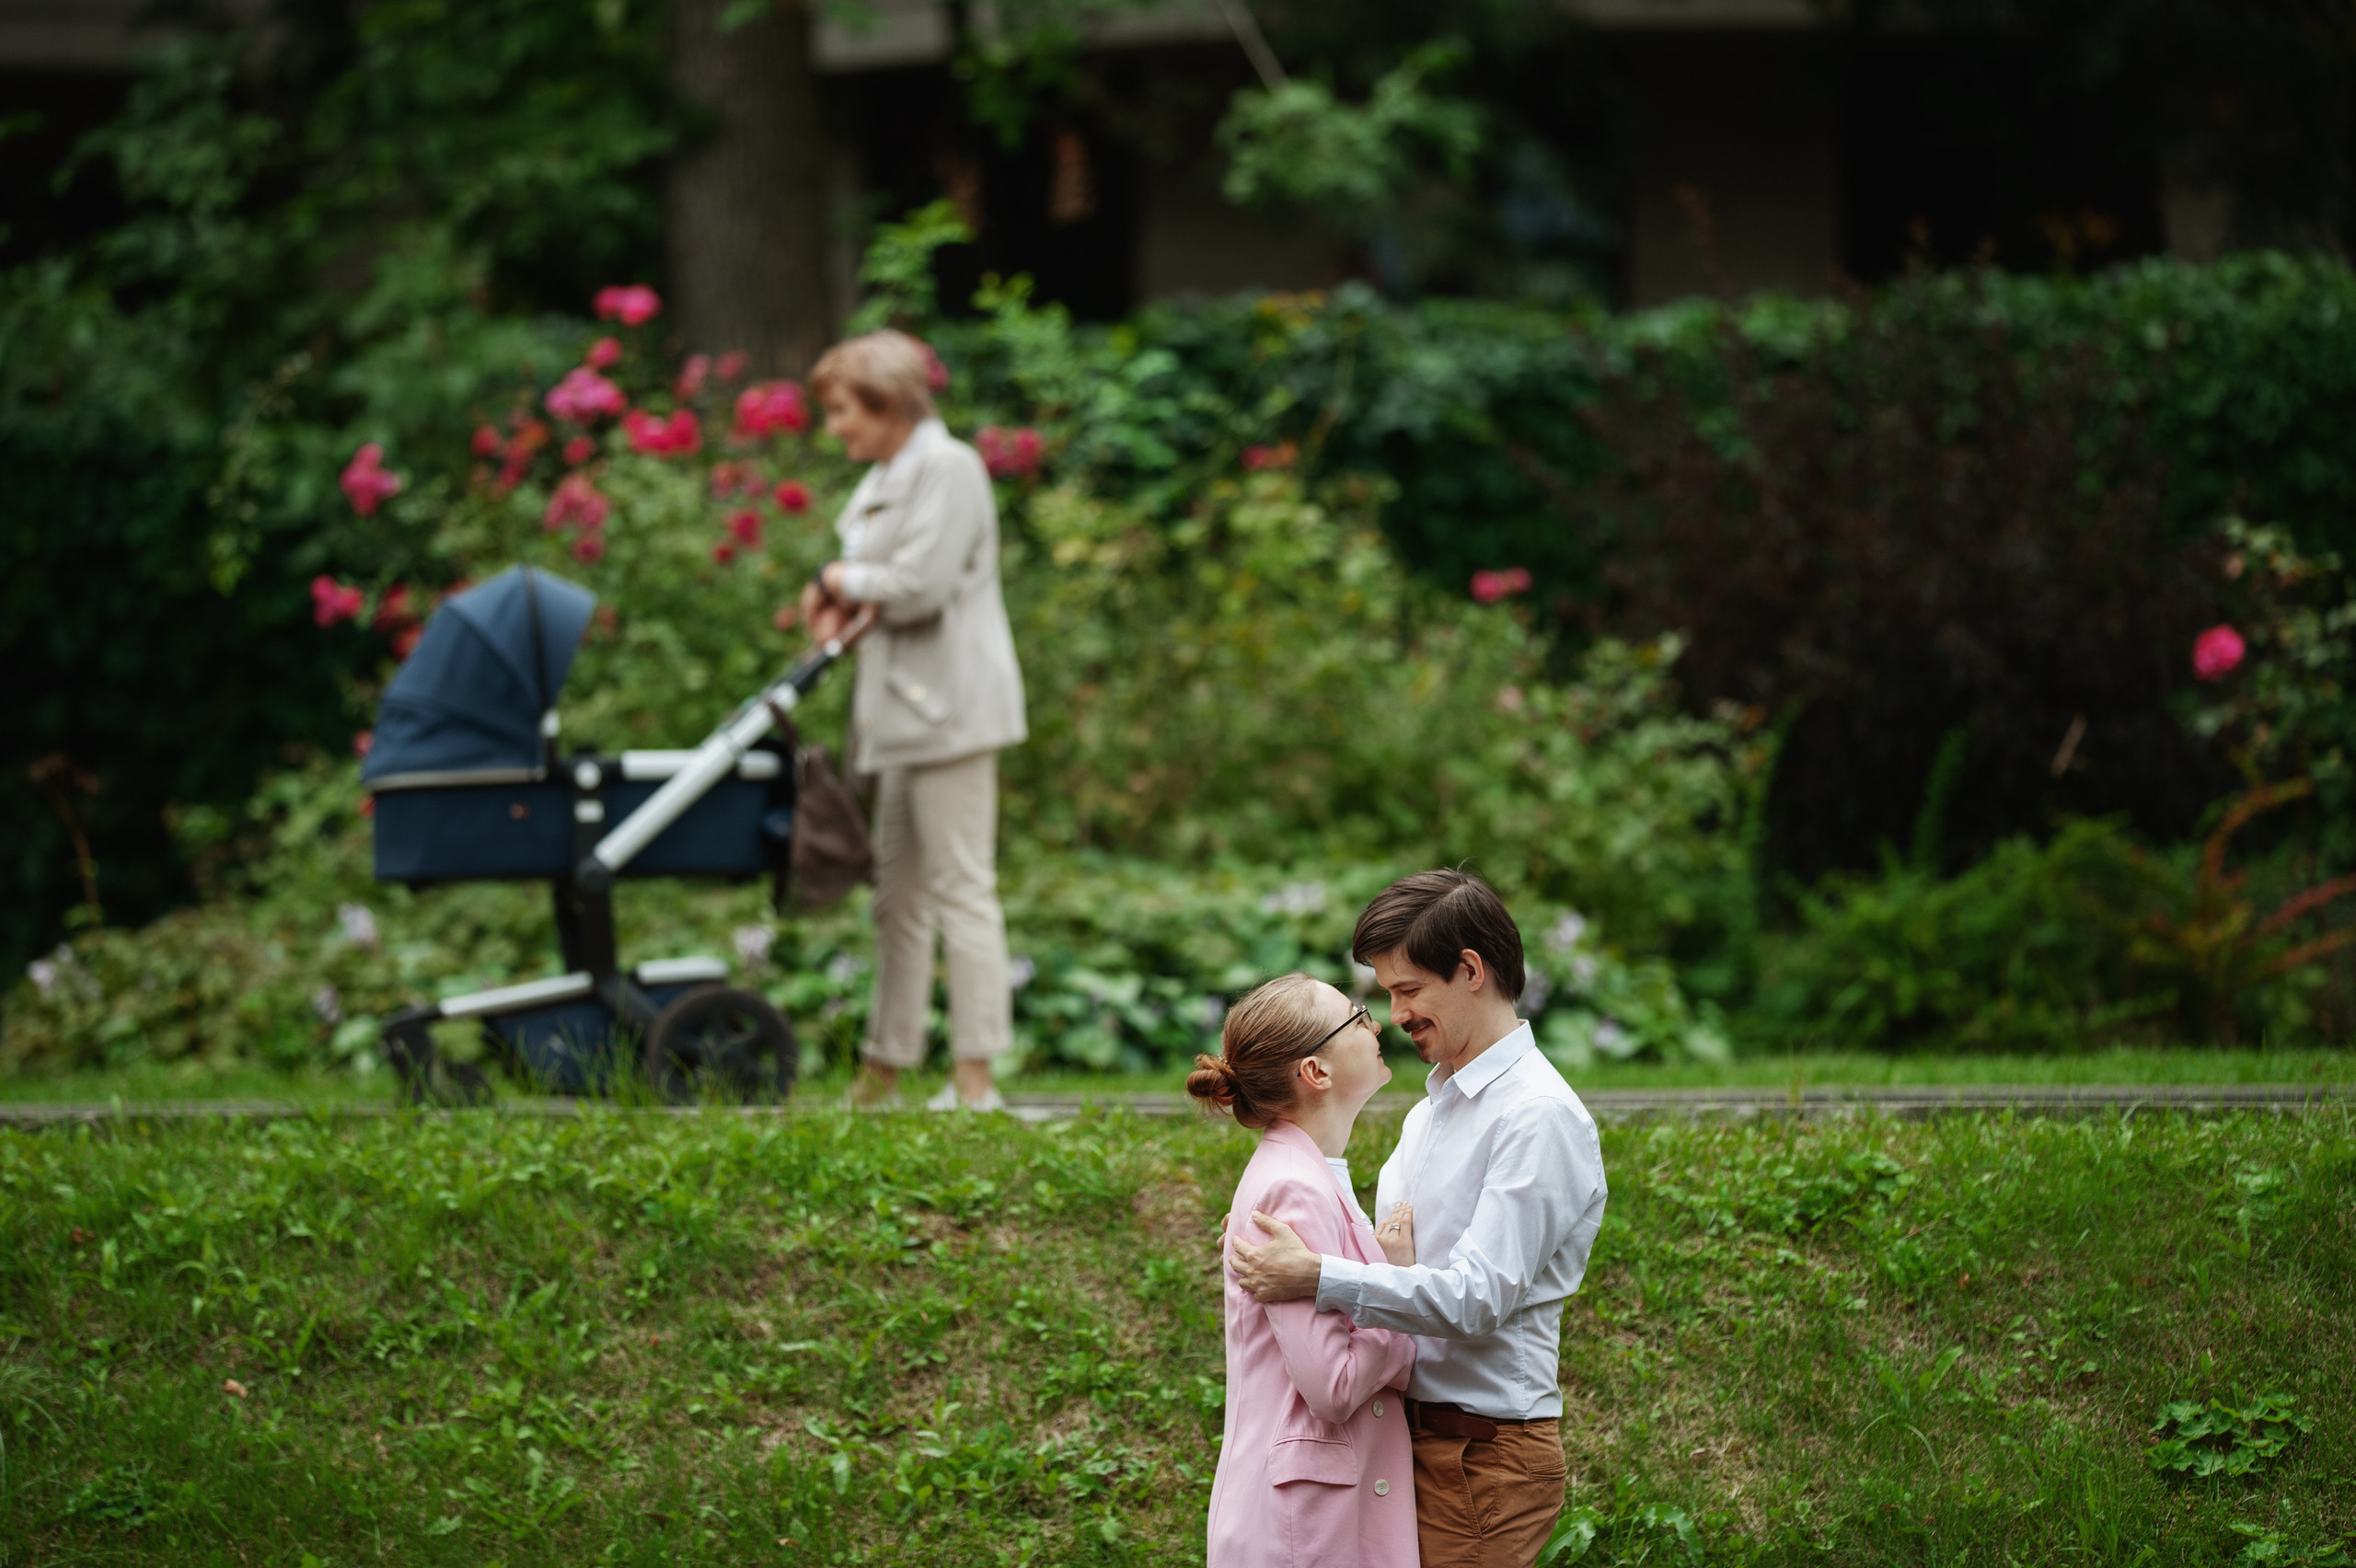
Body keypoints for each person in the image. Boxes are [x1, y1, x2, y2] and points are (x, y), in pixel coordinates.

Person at [1230, 870, 1608, 1568]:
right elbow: (1387, 1269)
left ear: (1470, 970)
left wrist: (1317, 1276)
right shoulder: (1426, 1115)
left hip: (1482, 1455)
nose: (1394, 1014)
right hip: (1407, 1445)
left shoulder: (1538, 1118)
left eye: (1408, 990)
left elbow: (1477, 1298)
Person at [799, 330, 1026, 1112]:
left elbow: (921, 585)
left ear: (886, 404)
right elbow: (884, 588)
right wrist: (838, 602)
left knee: (962, 889)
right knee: (896, 898)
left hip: (951, 712)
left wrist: (834, 577)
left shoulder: (947, 466)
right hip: (901, 717)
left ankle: (974, 1083)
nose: (835, 427)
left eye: (841, 410)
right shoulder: (891, 474)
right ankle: (881, 1074)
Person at [1189, 972, 1423, 1568]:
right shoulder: (1293, 1187)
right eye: (1356, 1016)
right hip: (1306, 1528)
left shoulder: (1305, 1172)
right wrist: (1400, 1293)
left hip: (1314, 1515)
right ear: (1316, 1072)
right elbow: (1334, 1385)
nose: (1376, 1024)